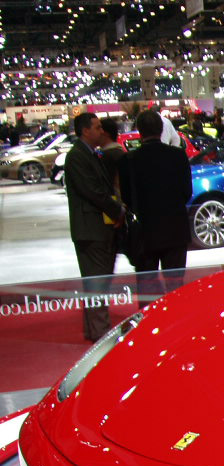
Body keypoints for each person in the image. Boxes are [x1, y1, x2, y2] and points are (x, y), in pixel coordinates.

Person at [118, 109, 193, 299]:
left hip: (145, 231)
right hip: (175, 228)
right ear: (162, 129)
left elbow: (127, 198)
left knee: (147, 290)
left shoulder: (129, 160)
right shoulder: (178, 156)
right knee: (175, 289)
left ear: (139, 131)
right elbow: (186, 192)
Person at [64, 111, 125, 341]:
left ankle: (95, 331)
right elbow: (94, 192)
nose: (101, 131)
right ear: (85, 130)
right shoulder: (77, 157)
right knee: (97, 283)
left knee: (97, 283)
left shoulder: (90, 154)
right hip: (91, 230)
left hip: (98, 229)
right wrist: (117, 210)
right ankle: (101, 335)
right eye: (97, 127)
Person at [98, 117, 126, 193]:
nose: (97, 133)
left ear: (105, 134)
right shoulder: (120, 152)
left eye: (99, 129)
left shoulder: (108, 155)